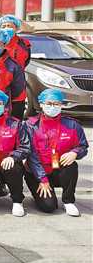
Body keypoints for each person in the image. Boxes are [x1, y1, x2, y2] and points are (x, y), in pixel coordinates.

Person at [24, 89, 89, 217]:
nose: (52, 107)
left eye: (56, 104)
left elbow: (83, 146)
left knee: (72, 165)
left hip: (58, 170)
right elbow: (31, 157)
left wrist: (75, 152)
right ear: (41, 104)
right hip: (37, 173)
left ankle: (68, 201)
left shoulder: (72, 125)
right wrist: (43, 179)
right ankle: (38, 194)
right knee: (49, 207)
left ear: (61, 105)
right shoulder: (30, 126)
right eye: (49, 103)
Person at [0, 89, 43, 217]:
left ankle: (17, 201)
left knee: (13, 168)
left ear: (4, 105)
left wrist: (13, 157)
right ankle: (1, 188)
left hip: (9, 166)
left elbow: (25, 147)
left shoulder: (15, 124)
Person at [0, 15, 31, 119]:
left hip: (18, 87)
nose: (6, 28)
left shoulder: (24, 44)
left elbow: (26, 61)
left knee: (16, 119)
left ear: (16, 28)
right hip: (0, 86)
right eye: (3, 26)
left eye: (9, 26)